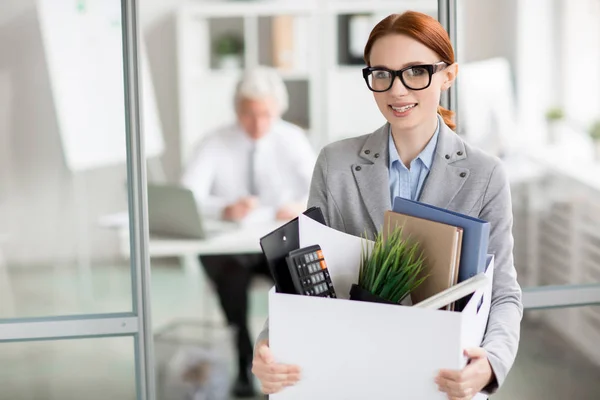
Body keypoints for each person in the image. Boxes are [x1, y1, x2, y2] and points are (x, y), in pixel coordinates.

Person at [251, 11, 523, 399]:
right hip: (349, 371)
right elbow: (300, 281)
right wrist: (268, 346)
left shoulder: (485, 174)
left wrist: (491, 363)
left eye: (416, 71)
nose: (397, 90)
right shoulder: (336, 163)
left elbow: (504, 292)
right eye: (382, 73)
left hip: (439, 380)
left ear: (448, 75)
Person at [181, 66, 316, 397]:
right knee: (229, 278)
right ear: (236, 110)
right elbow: (188, 195)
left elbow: (318, 189)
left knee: (296, 278)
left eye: (266, 114)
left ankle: (291, 359)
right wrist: (223, 208)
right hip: (231, 247)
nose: (257, 124)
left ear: (278, 110)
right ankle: (243, 358)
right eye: (248, 114)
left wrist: (300, 205)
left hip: (277, 242)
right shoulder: (214, 142)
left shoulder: (292, 139)